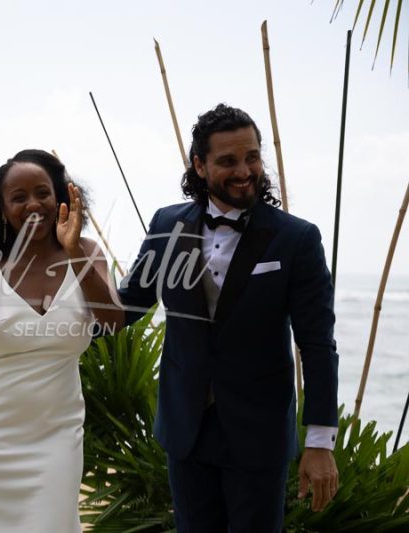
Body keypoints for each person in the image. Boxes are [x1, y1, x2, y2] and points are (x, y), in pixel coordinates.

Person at [118, 104, 340, 531]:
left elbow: (316, 344)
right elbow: (130, 303)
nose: (244, 170)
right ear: (199, 166)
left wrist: (319, 442)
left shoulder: (297, 239)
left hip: (258, 433)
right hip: (186, 428)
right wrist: (45, 330)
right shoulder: (167, 223)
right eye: (228, 161)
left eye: (252, 157)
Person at [0, 149, 124, 532]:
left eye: (42, 192)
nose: (33, 204)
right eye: (18, 198)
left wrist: (71, 252)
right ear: (2, 210)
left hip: (57, 432)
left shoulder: (86, 253)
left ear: (60, 198)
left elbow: (113, 322)